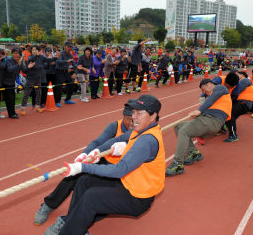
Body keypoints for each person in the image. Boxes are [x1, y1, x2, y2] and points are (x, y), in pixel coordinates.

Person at [44, 95, 164, 235]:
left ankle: (70, 231)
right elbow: (117, 139)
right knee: (84, 182)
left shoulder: (147, 140)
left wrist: (83, 167)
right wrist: (93, 152)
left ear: (153, 116)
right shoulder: (139, 130)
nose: (134, 117)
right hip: (129, 183)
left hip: (138, 197)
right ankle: (73, 224)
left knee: (92, 198)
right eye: (134, 112)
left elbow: (119, 170)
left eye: (140, 113)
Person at [34, 100, 134, 226]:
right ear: (123, 116)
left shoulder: (140, 132)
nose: (131, 123)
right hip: (104, 161)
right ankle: (49, 204)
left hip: (119, 171)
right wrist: (85, 154)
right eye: (128, 119)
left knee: (99, 197)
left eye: (134, 120)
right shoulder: (114, 127)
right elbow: (97, 142)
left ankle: (73, 220)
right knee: (73, 175)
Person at [165, 79, 232, 176]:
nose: (204, 93)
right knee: (178, 126)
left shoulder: (220, 88)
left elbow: (211, 99)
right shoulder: (213, 97)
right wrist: (199, 114)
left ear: (209, 84)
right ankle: (194, 153)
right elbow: (210, 102)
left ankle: (177, 165)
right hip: (207, 119)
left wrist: (199, 111)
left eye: (203, 90)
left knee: (184, 131)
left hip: (212, 121)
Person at [21, 45, 56, 115]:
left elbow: (48, 60)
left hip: (38, 77)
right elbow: (30, 60)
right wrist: (36, 55)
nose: (34, 51)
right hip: (31, 78)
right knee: (27, 93)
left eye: (35, 50)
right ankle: (23, 108)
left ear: (39, 51)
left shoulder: (41, 57)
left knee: (39, 92)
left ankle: (37, 106)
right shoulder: (31, 57)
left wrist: (55, 57)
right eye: (33, 50)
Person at [224, 72, 253, 142]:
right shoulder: (237, 83)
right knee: (227, 111)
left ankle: (233, 135)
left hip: (244, 102)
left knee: (230, 114)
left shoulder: (244, 80)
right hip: (240, 102)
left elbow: (234, 94)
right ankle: (225, 126)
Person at [3, 47, 23, 119]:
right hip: (5, 82)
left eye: (17, 53)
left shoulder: (19, 61)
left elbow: (24, 70)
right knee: (9, 99)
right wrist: (18, 64)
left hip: (12, 82)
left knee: (13, 98)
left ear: (20, 55)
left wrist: (29, 67)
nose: (15, 55)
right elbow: (9, 70)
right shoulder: (8, 60)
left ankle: (12, 112)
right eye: (14, 53)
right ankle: (11, 114)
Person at [55, 42, 75, 107]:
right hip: (59, 72)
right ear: (65, 47)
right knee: (59, 87)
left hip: (66, 72)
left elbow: (73, 63)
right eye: (69, 47)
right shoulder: (61, 54)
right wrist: (66, 61)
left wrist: (78, 67)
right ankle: (57, 101)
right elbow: (58, 61)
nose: (70, 48)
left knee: (71, 84)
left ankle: (67, 99)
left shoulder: (71, 55)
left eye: (71, 47)